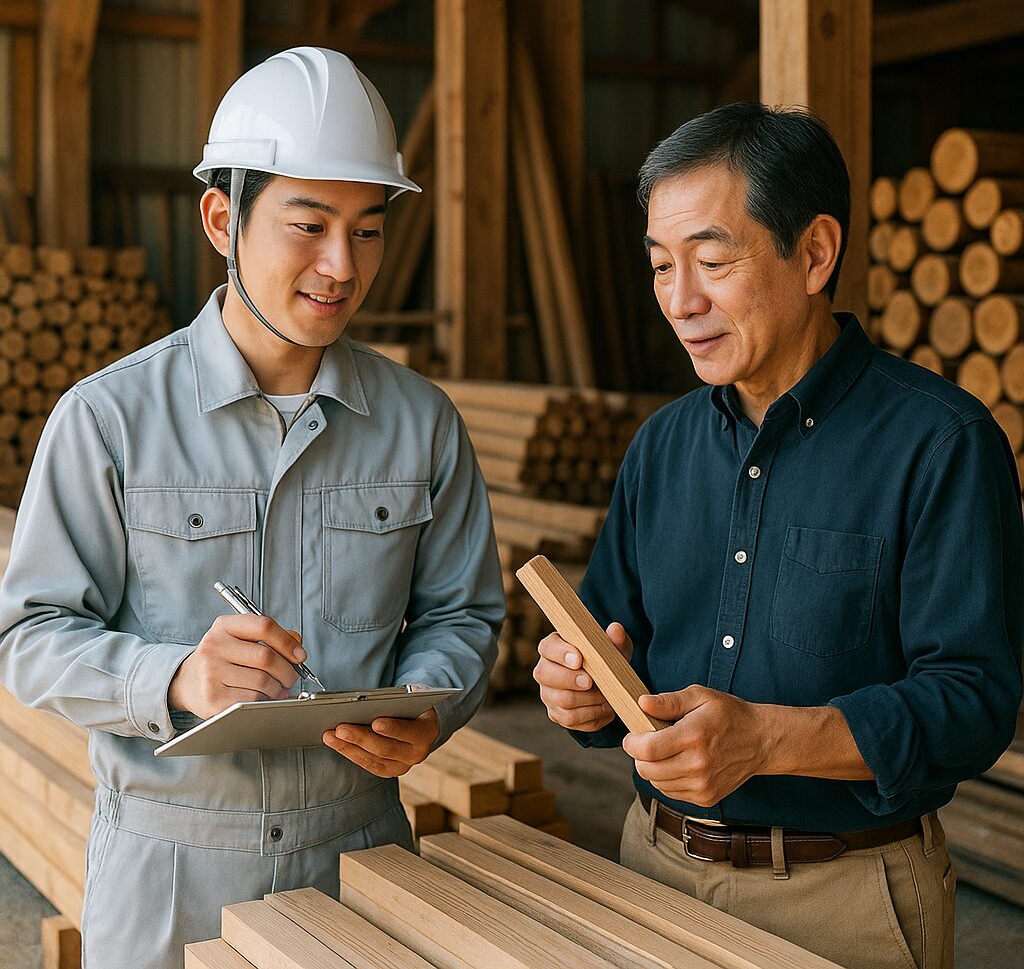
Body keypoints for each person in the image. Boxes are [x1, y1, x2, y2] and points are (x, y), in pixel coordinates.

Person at [0, 47, 503, 968]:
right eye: (307, 225)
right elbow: (26, 639)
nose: (340, 266)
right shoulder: (110, 420)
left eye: (368, 230)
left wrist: (432, 702)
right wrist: (174, 680)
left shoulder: (422, 426)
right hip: (169, 874)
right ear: (221, 219)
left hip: (359, 859)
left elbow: (464, 614)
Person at [534, 102, 1023, 969]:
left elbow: (973, 700)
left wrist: (766, 739)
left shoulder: (942, 443)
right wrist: (579, 694)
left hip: (850, 901)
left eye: (713, 261)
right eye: (659, 268)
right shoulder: (662, 445)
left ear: (815, 253)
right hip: (651, 865)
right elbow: (613, 651)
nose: (681, 302)